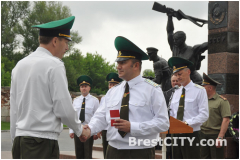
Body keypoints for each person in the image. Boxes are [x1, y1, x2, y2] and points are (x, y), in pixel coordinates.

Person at [10, 16, 89, 159]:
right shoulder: (54, 64)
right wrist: (80, 130)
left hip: (20, 142)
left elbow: (14, 110)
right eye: (65, 42)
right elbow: (63, 108)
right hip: (41, 143)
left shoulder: (19, 65)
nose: (67, 47)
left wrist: (15, 140)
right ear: (54, 41)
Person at [82, 36, 169, 159]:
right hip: (113, 151)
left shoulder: (152, 90)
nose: (118, 66)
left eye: (122, 62)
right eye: (118, 63)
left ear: (136, 65)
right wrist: (89, 129)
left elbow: (163, 123)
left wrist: (133, 127)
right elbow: (101, 116)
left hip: (140, 152)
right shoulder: (113, 92)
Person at [168, 57, 209, 159]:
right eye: (176, 75)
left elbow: (204, 114)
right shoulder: (175, 92)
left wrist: (187, 123)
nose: (178, 77)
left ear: (188, 72)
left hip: (192, 134)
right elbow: (172, 112)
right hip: (175, 134)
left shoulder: (199, 90)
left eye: (180, 74)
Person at [166, 9, 208, 84]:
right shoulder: (174, 48)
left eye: (176, 40)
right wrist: (169, 17)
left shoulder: (193, 50)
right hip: (178, 80)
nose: (174, 41)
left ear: (182, 40)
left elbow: (205, 45)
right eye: (174, 40)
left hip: (193, 80)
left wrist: (217, 29)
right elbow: (169, 32)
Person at [200, 73, 231, 159]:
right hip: (202, 134)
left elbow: (226, 120)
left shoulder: (222, 101)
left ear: (210, 88)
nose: (201, 89)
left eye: (204, 87)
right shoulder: (203, 101)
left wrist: (220, 137)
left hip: (215, 135)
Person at [69, 75, 99, 159]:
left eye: (85, 86)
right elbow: (72, 116)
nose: (84, 88)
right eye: (82, 87)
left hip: (88, 129)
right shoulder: (75, 101)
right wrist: (71, 130)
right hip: (77, 129)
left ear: (89, 88)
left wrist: (95, 132)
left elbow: (97, 116)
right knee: (78, 152)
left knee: (87, 153)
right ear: (80, 89)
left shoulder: (95, 101)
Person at [98, 72, 123, 158]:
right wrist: (98, 128)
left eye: (113, 84)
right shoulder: (104, 98)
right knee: (106, 152)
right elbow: (101, 114)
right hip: (105, 128)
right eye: (110, 84)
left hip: (115, 128)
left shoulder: (122, 97)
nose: (110, 86)